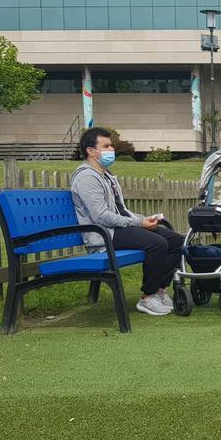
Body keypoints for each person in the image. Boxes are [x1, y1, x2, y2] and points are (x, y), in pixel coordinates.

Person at [70, 127, 185, 316]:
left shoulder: (106, 176)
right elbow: (101, 216)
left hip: (116, 230)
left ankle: (159, 291)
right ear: (91, 151)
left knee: (175, 240)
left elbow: (120, 210)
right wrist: (139, 224)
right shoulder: (86, 178)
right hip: (104, 234)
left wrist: (142, 219)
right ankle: (147, 297)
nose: (111, 149)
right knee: (157, 244)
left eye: (111, 145)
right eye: (106, 146)